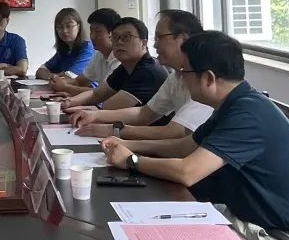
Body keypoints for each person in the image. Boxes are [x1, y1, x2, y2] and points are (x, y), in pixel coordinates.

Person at [101, 31, 289, 240]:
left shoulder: (248, 114)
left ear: (209, 78)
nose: (180, 77)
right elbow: (184, 147)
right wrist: (128, 145)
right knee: (146, 230)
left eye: (185, 72)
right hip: (248, 224)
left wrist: (132, 161)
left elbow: (188, 172)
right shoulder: (237, 102)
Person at [72, 9, 212, 140]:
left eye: (160, 37)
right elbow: (144, 114)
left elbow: (177, 132)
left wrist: (115, 131)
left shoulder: (204, 80)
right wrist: (95, 115)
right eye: (115, 38)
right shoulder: (176, 77)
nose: (155, 45)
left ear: (183, 39)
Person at [61, 17, 168, 111]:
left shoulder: (148, 71)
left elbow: (109, 107)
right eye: (115, 37)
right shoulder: (126, 67)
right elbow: (96, 94)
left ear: (143, 43)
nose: (119, 42)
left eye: (127, 37)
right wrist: (68, 102)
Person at [44, 7, 121, 96]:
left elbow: (103, 93)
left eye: (98, 31)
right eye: (91, 31)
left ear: (112, 34)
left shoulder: (119, 59)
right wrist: (57, 81)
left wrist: (65, 87)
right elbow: (79, 81)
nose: (93, 36)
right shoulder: (99, 55)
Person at [34, 8, 95, 80]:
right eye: (60, 27)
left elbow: (70, 77)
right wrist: (55, 76)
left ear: (78, 26)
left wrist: (54, 76)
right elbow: (39, 72)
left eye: (69, 26)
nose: (64, 31)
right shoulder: (64, 50)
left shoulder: (87, 48)